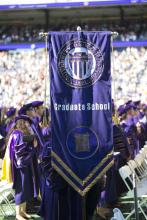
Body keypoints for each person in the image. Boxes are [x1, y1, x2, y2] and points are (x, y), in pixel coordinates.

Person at [7, 115, 39, 220]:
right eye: (26, 123)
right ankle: (17, 214)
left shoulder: (20, 134)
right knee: (20, 189)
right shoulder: (17, 135)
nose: (28, 125)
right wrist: (33, 148)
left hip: (24, 166)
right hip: (20, 167)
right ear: (21, 123)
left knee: (25, 188)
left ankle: (22, 211)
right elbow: (20, 154)